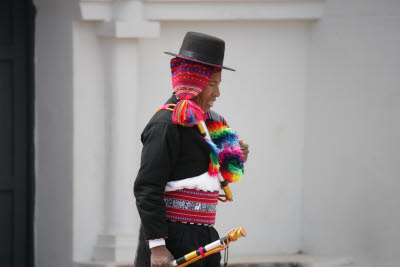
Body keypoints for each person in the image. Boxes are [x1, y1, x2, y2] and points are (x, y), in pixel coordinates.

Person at [134, 32, 249, 267]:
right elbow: (147, 188)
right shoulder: (166, 124)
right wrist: (157, 247)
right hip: (172, 240)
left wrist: (236, 156)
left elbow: (225, 174)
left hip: (204, 237)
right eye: (213, 85)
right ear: (194, 81)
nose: (217, 93)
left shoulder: (213, 122)